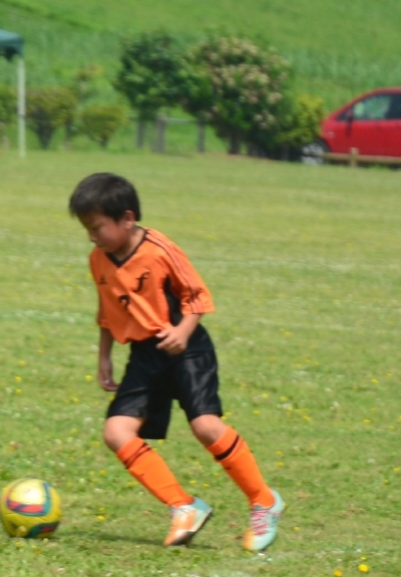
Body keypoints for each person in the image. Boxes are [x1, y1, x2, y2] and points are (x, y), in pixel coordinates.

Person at [69, 173, 284, 551]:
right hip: (144, 355)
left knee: (206, 426)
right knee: (117, 432)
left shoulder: (159, 249)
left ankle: (263, 501)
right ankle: (184, 507)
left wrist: (183, 332)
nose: (91, 236)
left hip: (188, 349)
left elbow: (196, 297)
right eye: (87, 228)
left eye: (97, 227)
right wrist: (104, 356)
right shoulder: (98, 260)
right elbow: (107, 311)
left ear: (127, 218)